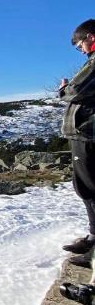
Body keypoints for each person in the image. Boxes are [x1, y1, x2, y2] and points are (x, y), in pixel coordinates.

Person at [59, 19, 95, 266]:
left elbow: (75, 90)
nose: (80, 50)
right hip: (86, 133)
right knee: (85, 187)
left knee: (90, 187)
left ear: (90, 37)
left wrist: (64, 89)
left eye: (80, 44)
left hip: (88, 133)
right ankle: (93, 237)